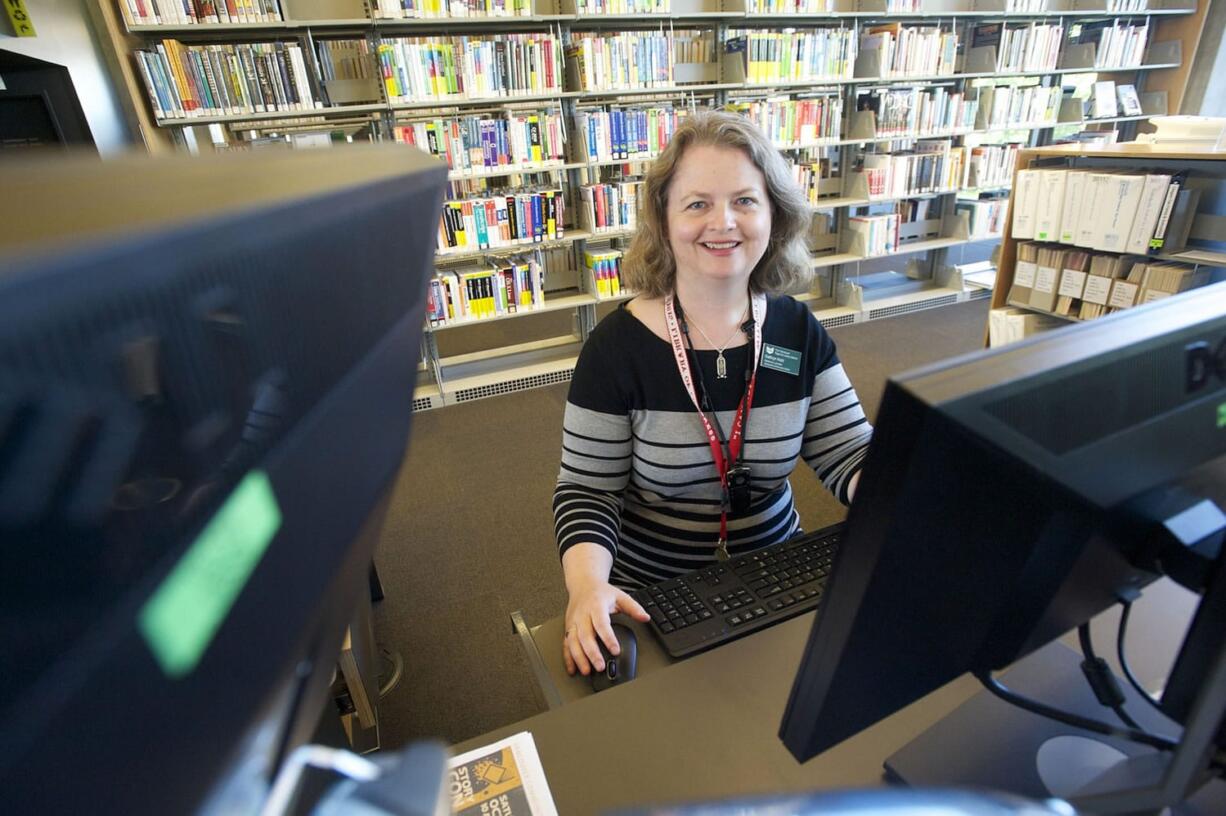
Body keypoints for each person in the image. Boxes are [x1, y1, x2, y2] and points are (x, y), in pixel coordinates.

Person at [553, 110, 874, 677]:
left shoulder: (798, 331)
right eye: (697, 203)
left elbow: (848, 453)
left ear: (774, 214)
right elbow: (587, 491)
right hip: (656, 598)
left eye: (745, 201)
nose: (723, 223)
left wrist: (903, 497)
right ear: (664, 219)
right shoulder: (615, 350)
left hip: (783, 577)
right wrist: (586, 588)